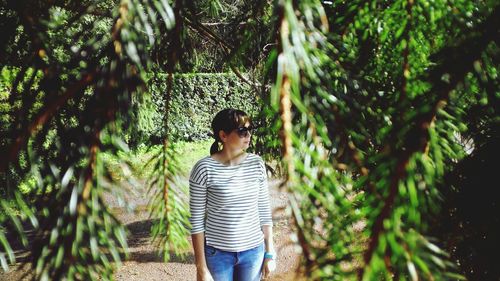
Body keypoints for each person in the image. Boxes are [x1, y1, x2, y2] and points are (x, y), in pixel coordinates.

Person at [189, 108, 276, 281]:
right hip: (218, 255)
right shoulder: (204, 169)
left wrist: (269, 253)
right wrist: (201, 268)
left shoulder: (256, 164)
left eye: (250, 130)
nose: (248, 135)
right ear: (223, 135)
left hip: (253, 253)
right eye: (243, 131)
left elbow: (264, 212)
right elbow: (196, 222)